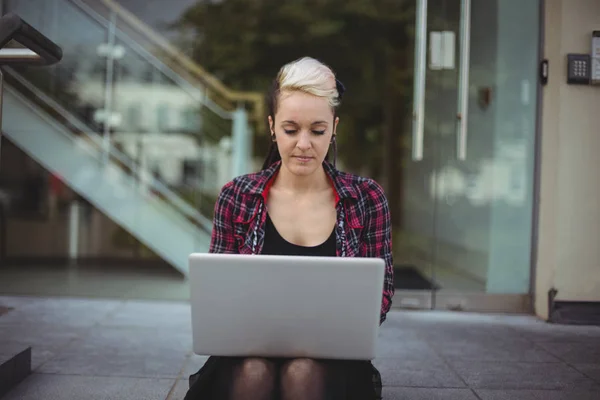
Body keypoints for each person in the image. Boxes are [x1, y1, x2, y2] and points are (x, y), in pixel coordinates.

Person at [185, 56, 394, 400]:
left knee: (303, 371)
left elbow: (381, 294)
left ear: (334, 127)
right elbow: (219, 293)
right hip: (247, 351)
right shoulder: (237, 196)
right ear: (272, 126)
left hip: (333, 356)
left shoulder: (366, 198)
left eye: (317, 130)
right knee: (253, 371)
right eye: (290, 129)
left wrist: (342, 326)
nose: (303, 144)